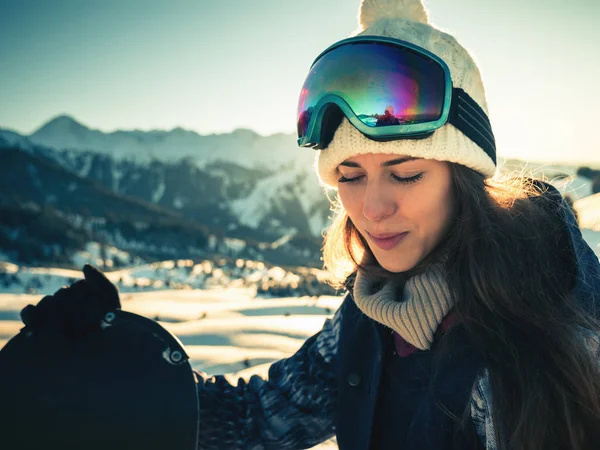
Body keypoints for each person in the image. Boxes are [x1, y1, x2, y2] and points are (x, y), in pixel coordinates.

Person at [18, 0, 600, 449]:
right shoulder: (375, 312)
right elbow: (257, 421)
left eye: (405, 174)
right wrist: (111, 362)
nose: (371, 209)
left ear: (464, 178)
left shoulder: (550, 332)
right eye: (349, 175)